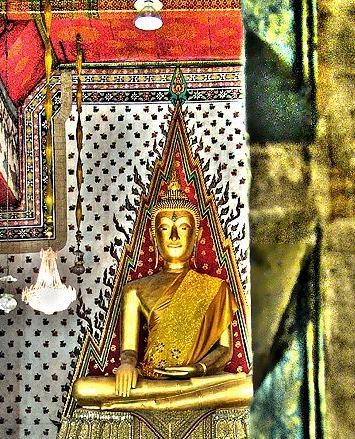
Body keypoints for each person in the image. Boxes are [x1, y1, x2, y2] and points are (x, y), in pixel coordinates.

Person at [73, 167, 251, 411]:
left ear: (196, 235)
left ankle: (154, 404)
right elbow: (129, 350)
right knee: (83, 388)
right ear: (155, 238)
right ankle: (162, 401)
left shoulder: (216, 288)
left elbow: (224, 350)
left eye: (184, 228)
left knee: (246, 389)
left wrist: (197, 369)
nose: (174, 236)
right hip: (150, 380)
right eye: (166, 228)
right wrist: (127, 365)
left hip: (193, 380)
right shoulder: (134, 290)